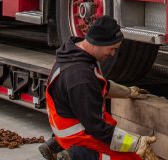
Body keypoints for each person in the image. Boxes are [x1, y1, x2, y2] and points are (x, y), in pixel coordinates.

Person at [40, 15, 157, 160]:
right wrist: (136, 143)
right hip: (77, 136)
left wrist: (128, 92)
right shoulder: (80, 78)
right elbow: (99, 130)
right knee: (132, 157)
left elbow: (100, 86)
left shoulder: (75, 53)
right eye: (112, 49)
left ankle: (63, 148)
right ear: (97, 43)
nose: (113, 54)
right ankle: (77, 155)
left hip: (69, 123)